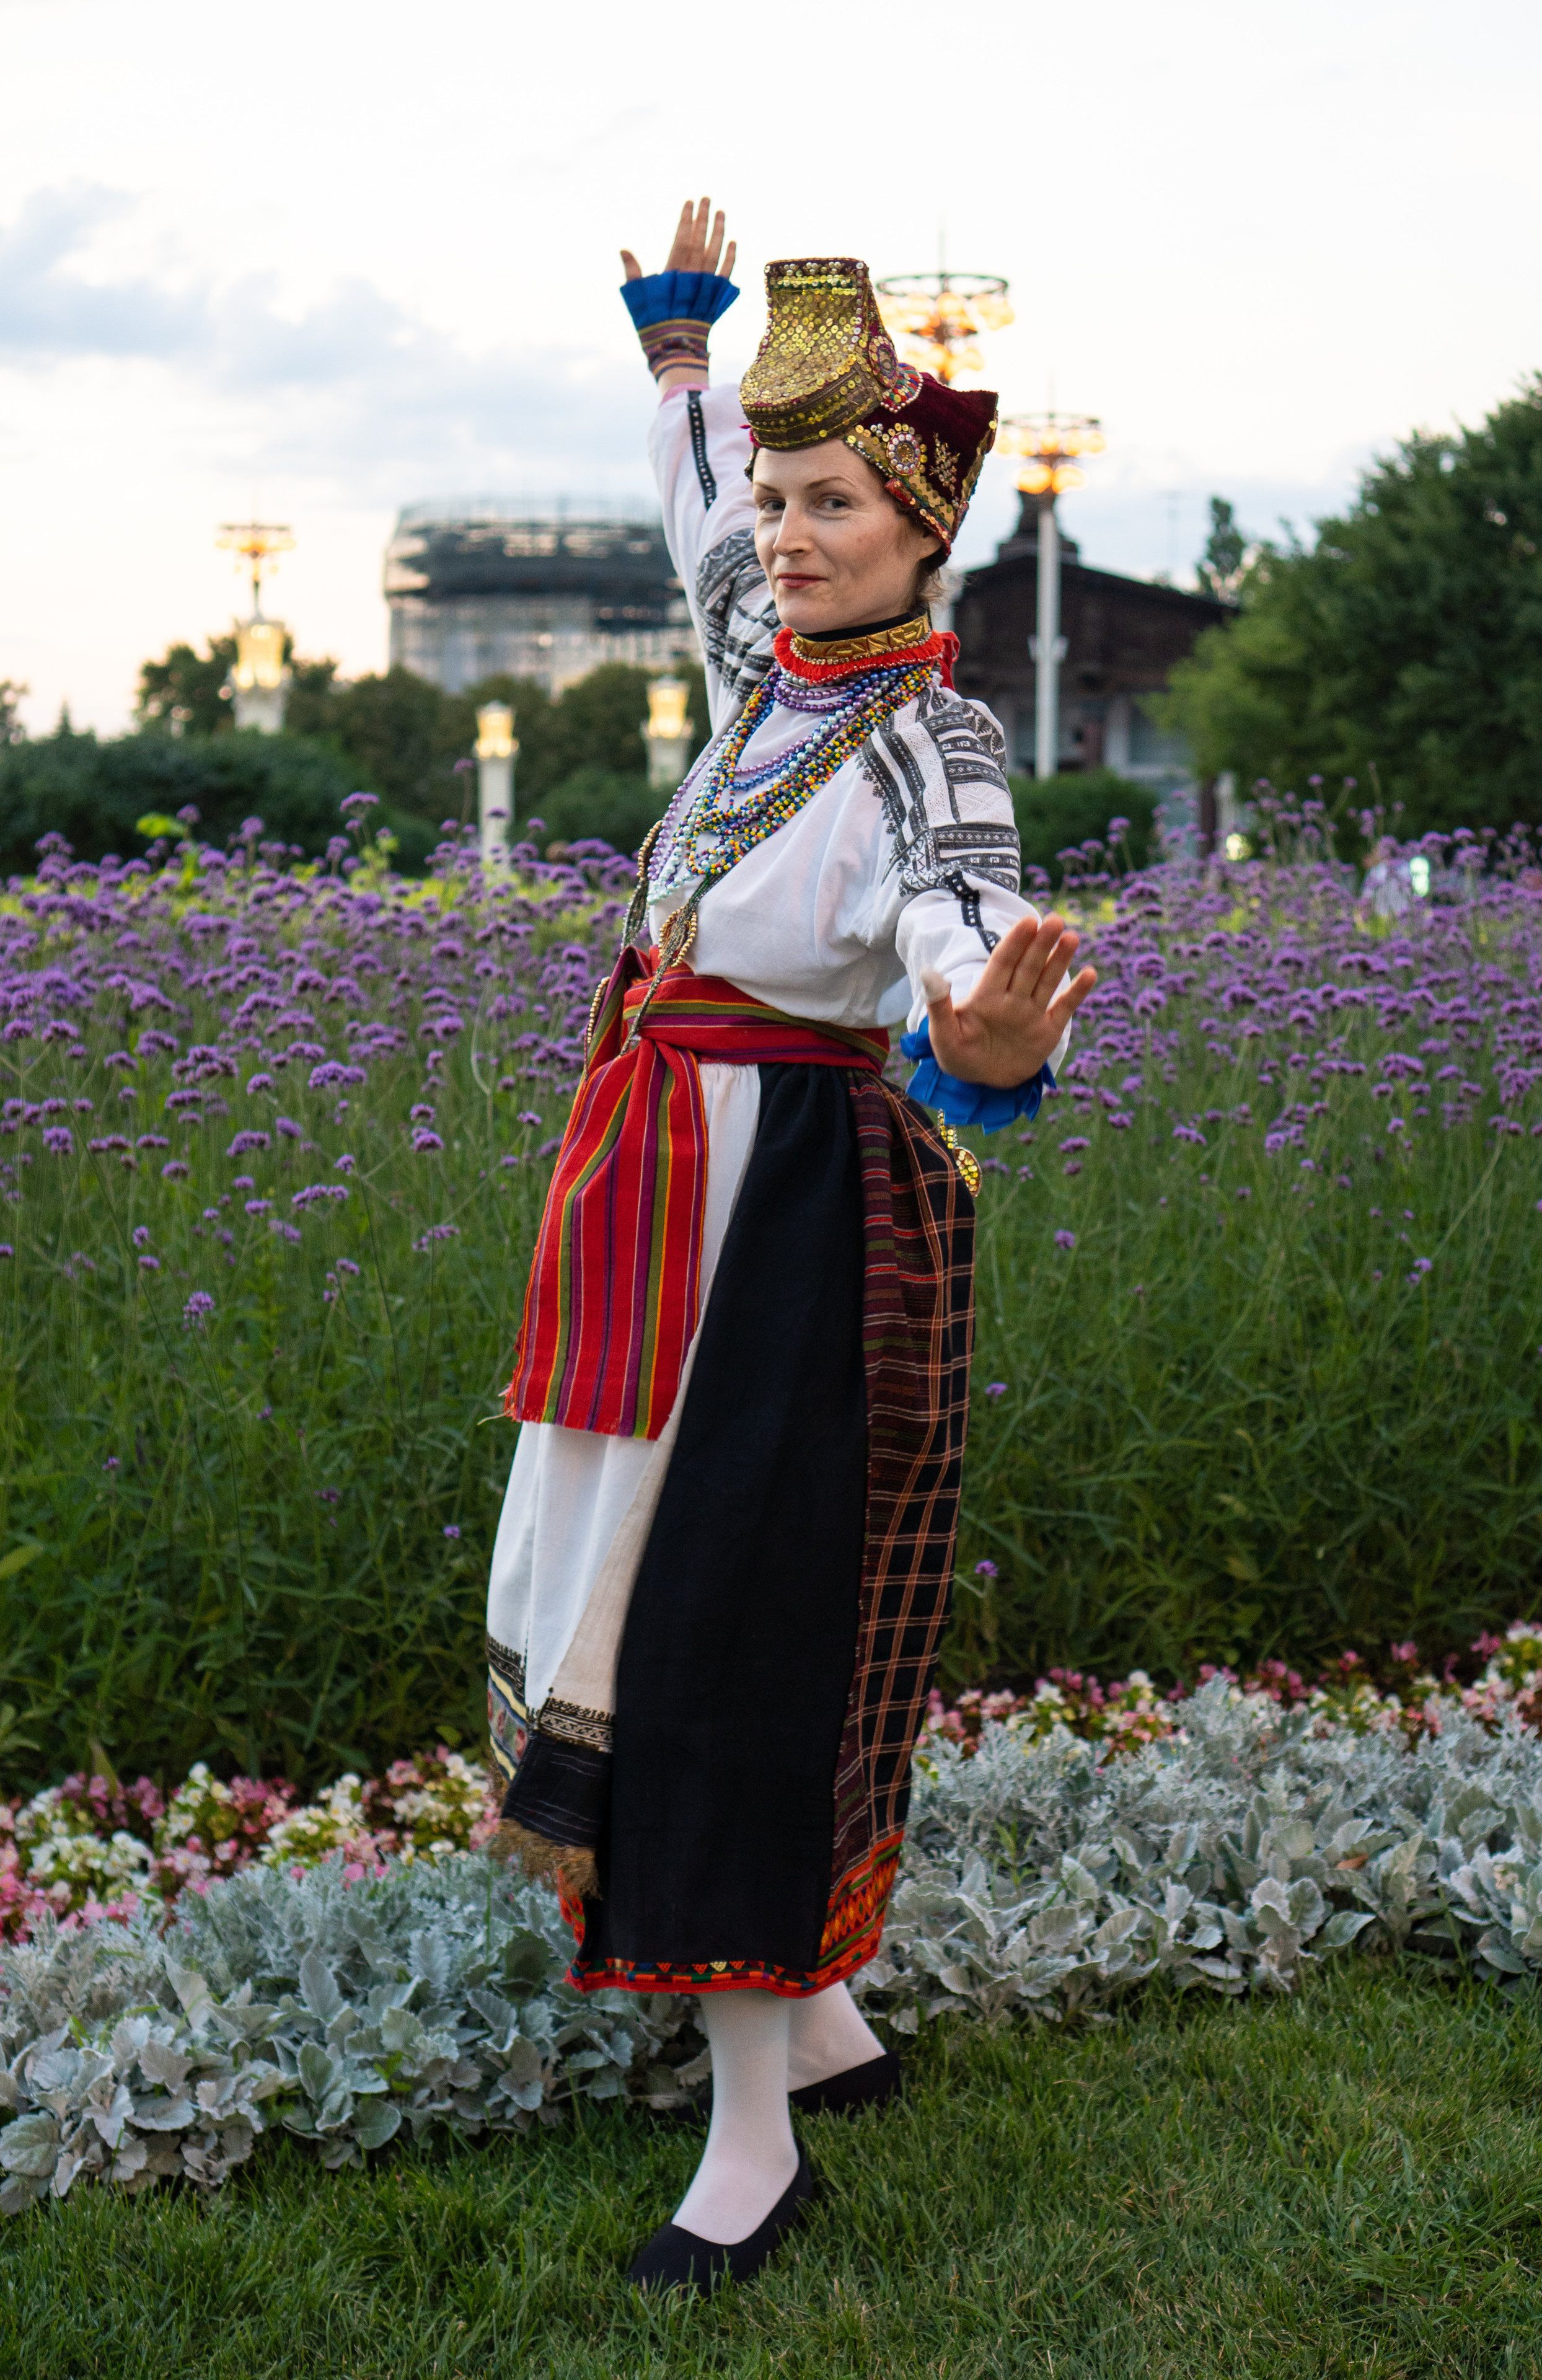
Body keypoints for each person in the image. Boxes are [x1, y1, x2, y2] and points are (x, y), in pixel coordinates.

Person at [485, 198, 1098, 2294]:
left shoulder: (936, 739)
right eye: (783, 489)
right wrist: (681, 353)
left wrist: (981, 1023)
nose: (791, 527)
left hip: (795, 1226)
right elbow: (687, 524)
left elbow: (948, 923)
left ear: (928, 530)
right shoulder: (766, 651)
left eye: (834, 496)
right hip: (662, 1194)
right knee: (622, 1598)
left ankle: (754, 2140)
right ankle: (819, 2029)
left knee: (722, 1645)